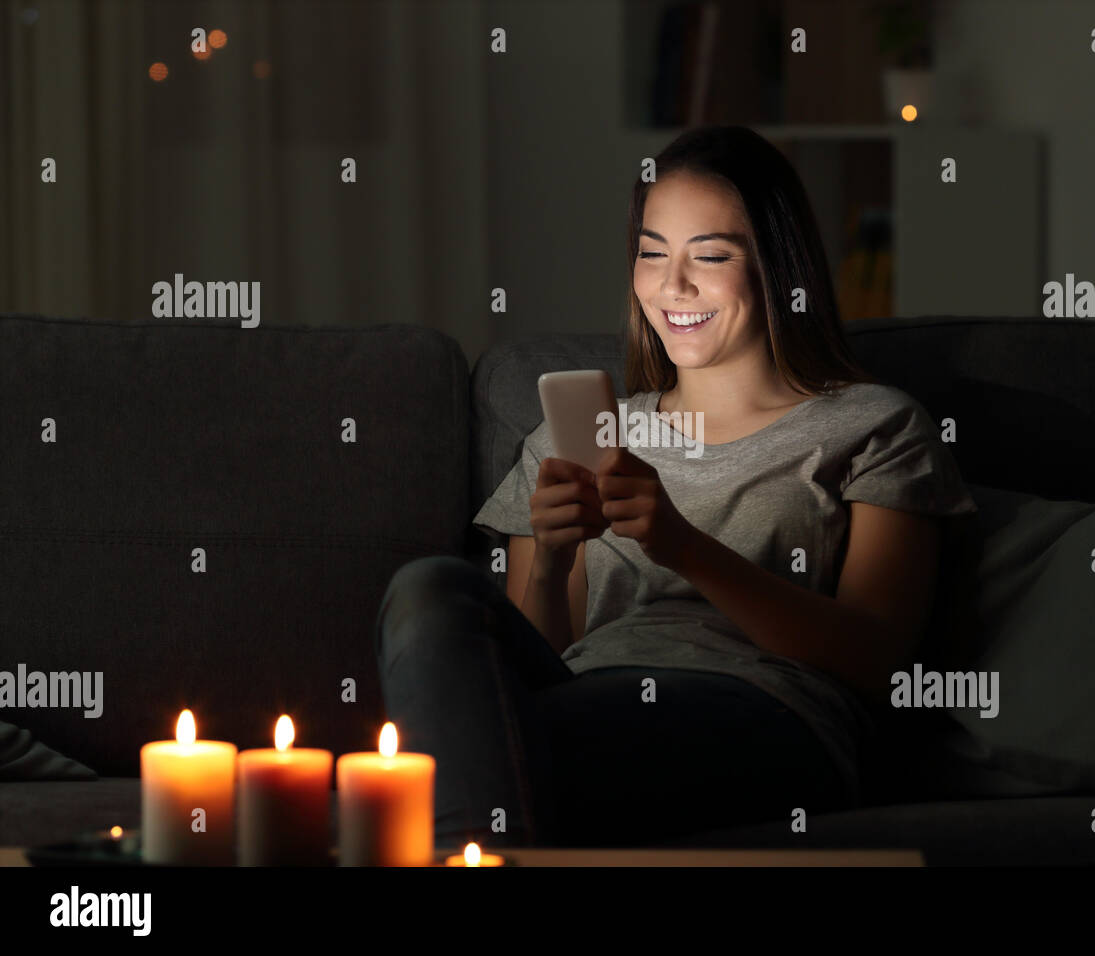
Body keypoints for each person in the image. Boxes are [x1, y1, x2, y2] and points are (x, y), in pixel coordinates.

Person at [375, 125, 977, 849]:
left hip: (765, 710)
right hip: (580, 693)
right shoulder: (578, 436)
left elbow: (881, 660)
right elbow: (541, 653)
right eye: (652, 253)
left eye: (710, 256)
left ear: (779, 267)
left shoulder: (874, 425)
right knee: (428, 589)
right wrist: (557, 562)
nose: (672, 286)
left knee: (485, 750)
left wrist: (683, 546)